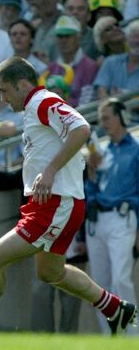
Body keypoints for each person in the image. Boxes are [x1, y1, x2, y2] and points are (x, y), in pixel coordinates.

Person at [0, 57, 137, 335]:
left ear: (22, 84)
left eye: (5, 90)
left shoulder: (42, 101)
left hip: (56, 204)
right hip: (49, 204)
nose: (3, 99)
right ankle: (114, 307)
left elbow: (81, 129)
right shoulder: (33, 108)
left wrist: (51, 171)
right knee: (50, 273)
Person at [84, 99, 139, 335]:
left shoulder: (136, 150)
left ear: (120, 117)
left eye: (107, 117)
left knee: (120, 280)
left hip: (123, 218)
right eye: (101, 118)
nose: (103, 123)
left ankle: (133, 338)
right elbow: (92, 188)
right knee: (99, 286)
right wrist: (92, 172)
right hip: (96, 222)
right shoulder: (101, 151)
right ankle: (109, 339)